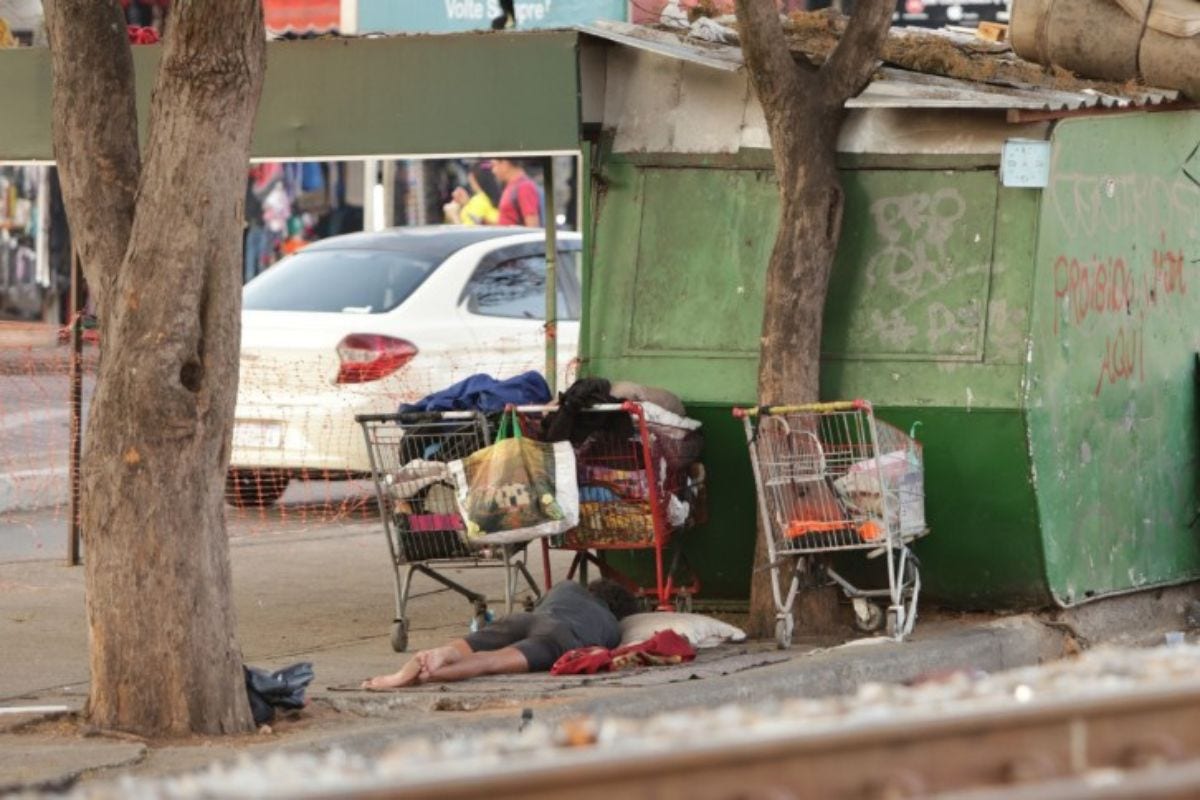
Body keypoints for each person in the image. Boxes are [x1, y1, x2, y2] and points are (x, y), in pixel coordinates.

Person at [362, 579, 639, 688]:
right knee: (488, 661)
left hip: (527, 618)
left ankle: (436, 656)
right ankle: (427, 674)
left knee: (466, 645)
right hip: (560, 637)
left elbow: (542, 604)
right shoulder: (611, 625)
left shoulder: (567, 587)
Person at [492, 157, 543, 228]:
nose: (493, 171)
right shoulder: (511, 186)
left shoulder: (524, 187)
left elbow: (532, 224)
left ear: (505, 164)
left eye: (494, 165)